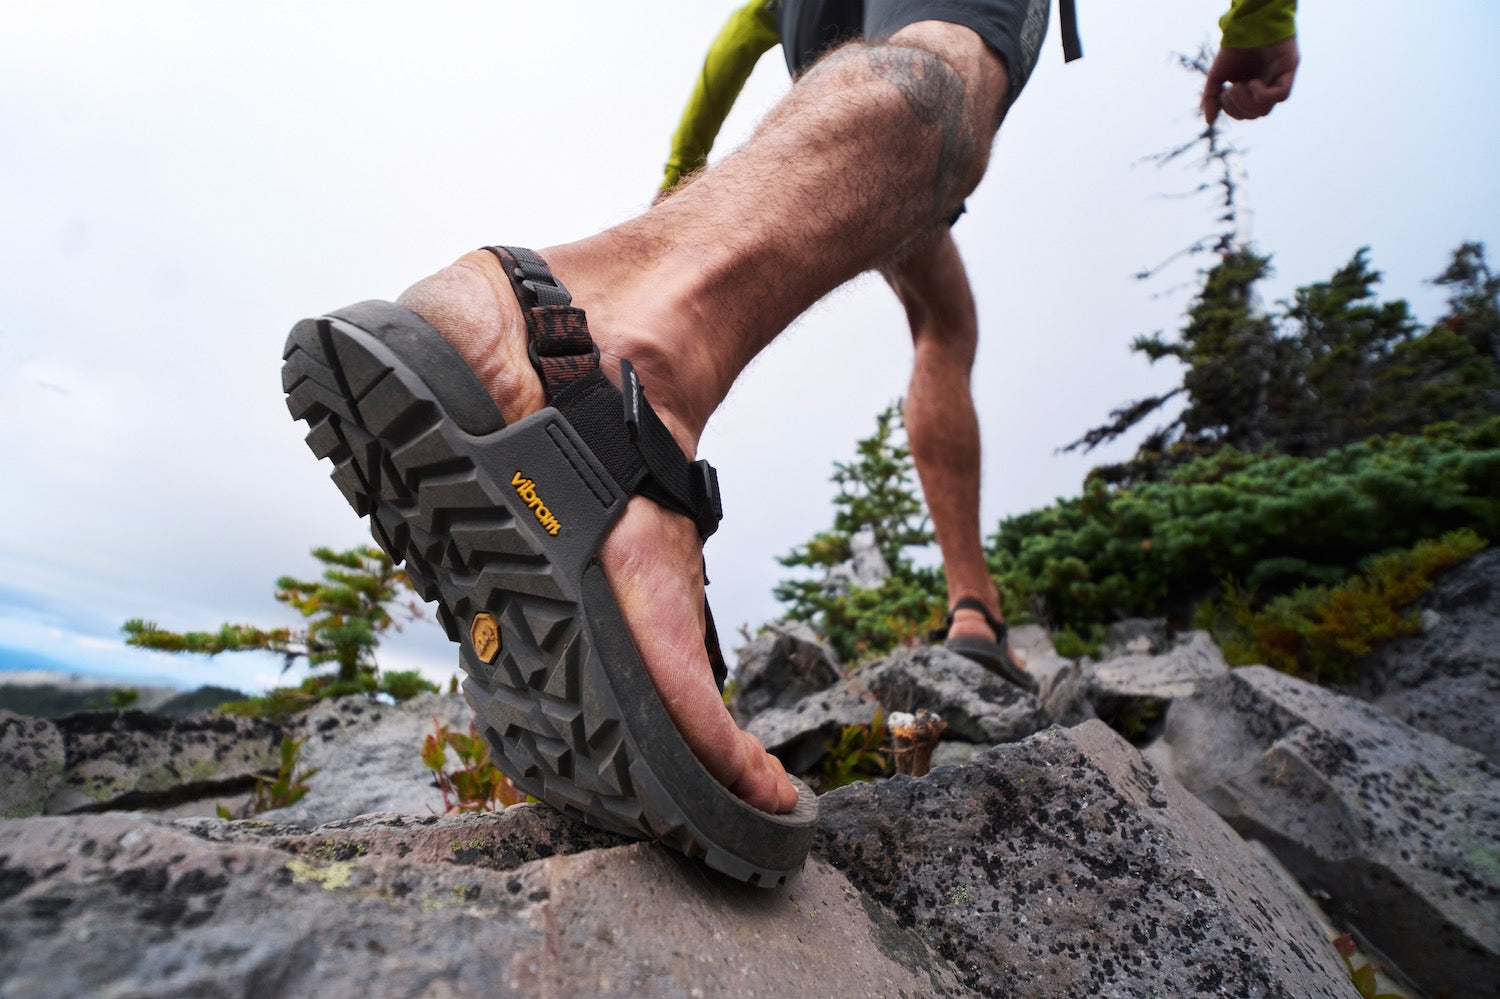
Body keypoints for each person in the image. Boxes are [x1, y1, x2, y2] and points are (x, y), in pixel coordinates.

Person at [282, 0, 1299, 884]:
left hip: (827, 35)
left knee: (944, 312)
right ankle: (615, 365)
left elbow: (736, 40)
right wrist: (1261, 19)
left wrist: (678, 179)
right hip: (868, 69)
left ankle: (972, 606)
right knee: (951, 80)